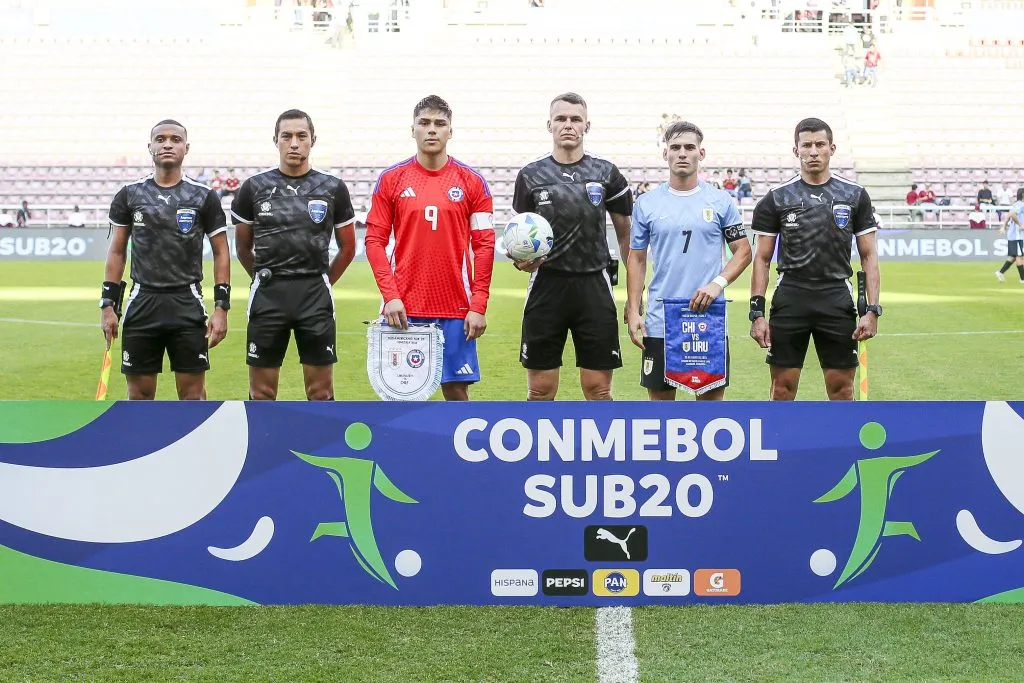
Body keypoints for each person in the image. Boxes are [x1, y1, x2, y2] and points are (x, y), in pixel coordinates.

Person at [364, 95, 495, 401]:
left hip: (457, 308)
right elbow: (374, 241)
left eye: (440, 123)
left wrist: (478, 305)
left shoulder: (472, 182)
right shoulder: (391, 179)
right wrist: (390, 296)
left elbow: (485, 245)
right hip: (403, 309)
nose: (432, 129)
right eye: (424, 123)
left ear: (450, 130)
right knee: (400, 394)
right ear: (413, 129)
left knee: (457, 393)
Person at [511, 92, 633, 401]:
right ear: (549, 125)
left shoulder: (606, 172)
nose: (568, 125)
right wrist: (521, 260)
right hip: (546, 286)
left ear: (586, 126)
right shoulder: (530, 175)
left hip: (594, 287)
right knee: (540, 390)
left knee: (599, 390)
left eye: (576, 119)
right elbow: (519, 235)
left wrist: (635, 297)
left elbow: (626, 238)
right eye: (561, 119)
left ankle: (601, 437)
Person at [749, 117, 881, 401]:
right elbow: (761, 259)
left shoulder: (855, 195)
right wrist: (757, 313)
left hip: (836, 298)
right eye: (806, 145)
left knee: (842, 389)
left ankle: (841, 434)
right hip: (791, 297)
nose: (813, 151)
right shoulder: (776, 198)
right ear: (796, 150)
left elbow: (869, 256)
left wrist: (872, 310)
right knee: (782, 389)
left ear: (831, 148)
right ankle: (781, 434)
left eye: (820, 144)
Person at [231, 109, 356, 401]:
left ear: (313, 140)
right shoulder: (253, 187)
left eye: (302, 136)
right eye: (287, 136)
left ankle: (320, 435)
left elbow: (348, 248)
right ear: (276, 140)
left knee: (321, 393)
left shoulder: (332, 187)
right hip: (268, 294)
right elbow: (243, 248)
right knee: (261, 393)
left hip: (314, 295)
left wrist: (322, 282)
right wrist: (263, 278)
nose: (294, 143)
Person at [101, 119, 230, 400]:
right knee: (139, 397)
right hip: (142, 303)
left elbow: (221, 252)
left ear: (186, 147)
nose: (167, 144)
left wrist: (222, 307)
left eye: (175, 139)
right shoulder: (129, 195)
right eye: (160, 139)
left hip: (187, 303)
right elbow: (117, 251)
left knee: (193, 397)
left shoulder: (203, 196)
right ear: (150, 147)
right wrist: (108, 304)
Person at [626, 121, 752, 401]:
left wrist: (717, 284)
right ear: (665, 154)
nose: (682, 153)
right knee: (661, 414)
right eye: (675, 147)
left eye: (689, 147)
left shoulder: (720, 201)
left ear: (701, 153)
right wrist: (633, 310)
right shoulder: (646, 203)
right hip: (660, 321)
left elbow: (743, 251)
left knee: (709, 413)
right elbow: (637, 259)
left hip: (708, 320)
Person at [995, 188, 1024, 283]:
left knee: (1014, 256)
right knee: (1019, 256)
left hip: (1014, 235)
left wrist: (1004, 226)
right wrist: (1020, 224)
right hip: (1017, 235)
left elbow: (1008, 215)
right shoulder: (1020, 205)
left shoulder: (1016, 204)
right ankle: (1022, 279)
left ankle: (1000, 272)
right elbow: (1012, 214)